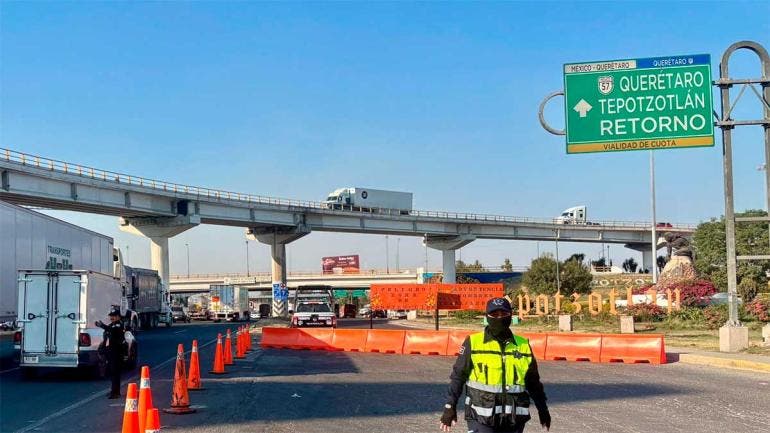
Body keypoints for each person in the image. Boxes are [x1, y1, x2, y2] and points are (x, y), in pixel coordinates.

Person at [440, 297, 551, 433]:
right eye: (495, 314)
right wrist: (450, 406)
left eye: (504, 314)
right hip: (480, 417)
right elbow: (458, 376)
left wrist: (543, 409)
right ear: (487, 317)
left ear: (511, 316)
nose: (499, 318)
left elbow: (534, 383)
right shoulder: (473, 342)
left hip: (514, 419)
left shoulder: (523, 345)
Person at [95, 309, 125, 399]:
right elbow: (107, 335)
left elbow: (113, 331)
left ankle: (116, 392)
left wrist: (102, 326)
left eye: (114, 316)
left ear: (118, 317)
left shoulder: (119, 325)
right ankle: (113, 390)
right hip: (111, 351)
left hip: (117, 352)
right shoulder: (112, 325)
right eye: (111, 316)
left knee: (115, 373)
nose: (112, 318)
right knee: (112, 372)